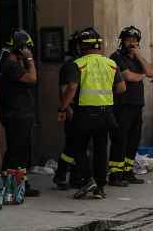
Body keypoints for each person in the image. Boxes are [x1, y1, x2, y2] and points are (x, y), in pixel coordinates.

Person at [58, 27, 126, 200]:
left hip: (85, 113)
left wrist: (63, 108)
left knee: (78, 147)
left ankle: (88, 179)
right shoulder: (111, 64)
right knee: (101, 150)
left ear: (81, 46)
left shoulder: (78, 64)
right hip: (106, 114)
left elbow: (72, 87)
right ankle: (100, 188)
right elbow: (121, 88)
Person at [108, 26, 153, 187]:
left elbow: (151, 72)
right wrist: (142, 75)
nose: (132, 43)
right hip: (122, 105)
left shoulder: (137, 58)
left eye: (135, 41)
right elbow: (129, 76)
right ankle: (115, 175)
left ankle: (128, 172)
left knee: (133, 140)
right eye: (129, 40)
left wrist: (139, 55)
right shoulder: (116, 57)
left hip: (136, 104)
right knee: (120, 140)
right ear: (122, 41)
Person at [0, 29, 40, 198]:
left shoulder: (8, 63)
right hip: (17, 114)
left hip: (16, 113)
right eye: (27, 48)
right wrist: (29, 60)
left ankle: (12, 183)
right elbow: (32, 79)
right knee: (19, 152)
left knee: (15, 151)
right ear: (21, 48)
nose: (29, 51)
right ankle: (18, 185)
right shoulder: (11, 65)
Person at [53, 32, 82, 191]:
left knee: (74, 146)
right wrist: (67, 108)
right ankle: (66, 175)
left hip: (85, 110)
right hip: (74, 110)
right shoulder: (70, 66)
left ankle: (64, 174)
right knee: (74, 145)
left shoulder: (83, 63)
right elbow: (65, 89)